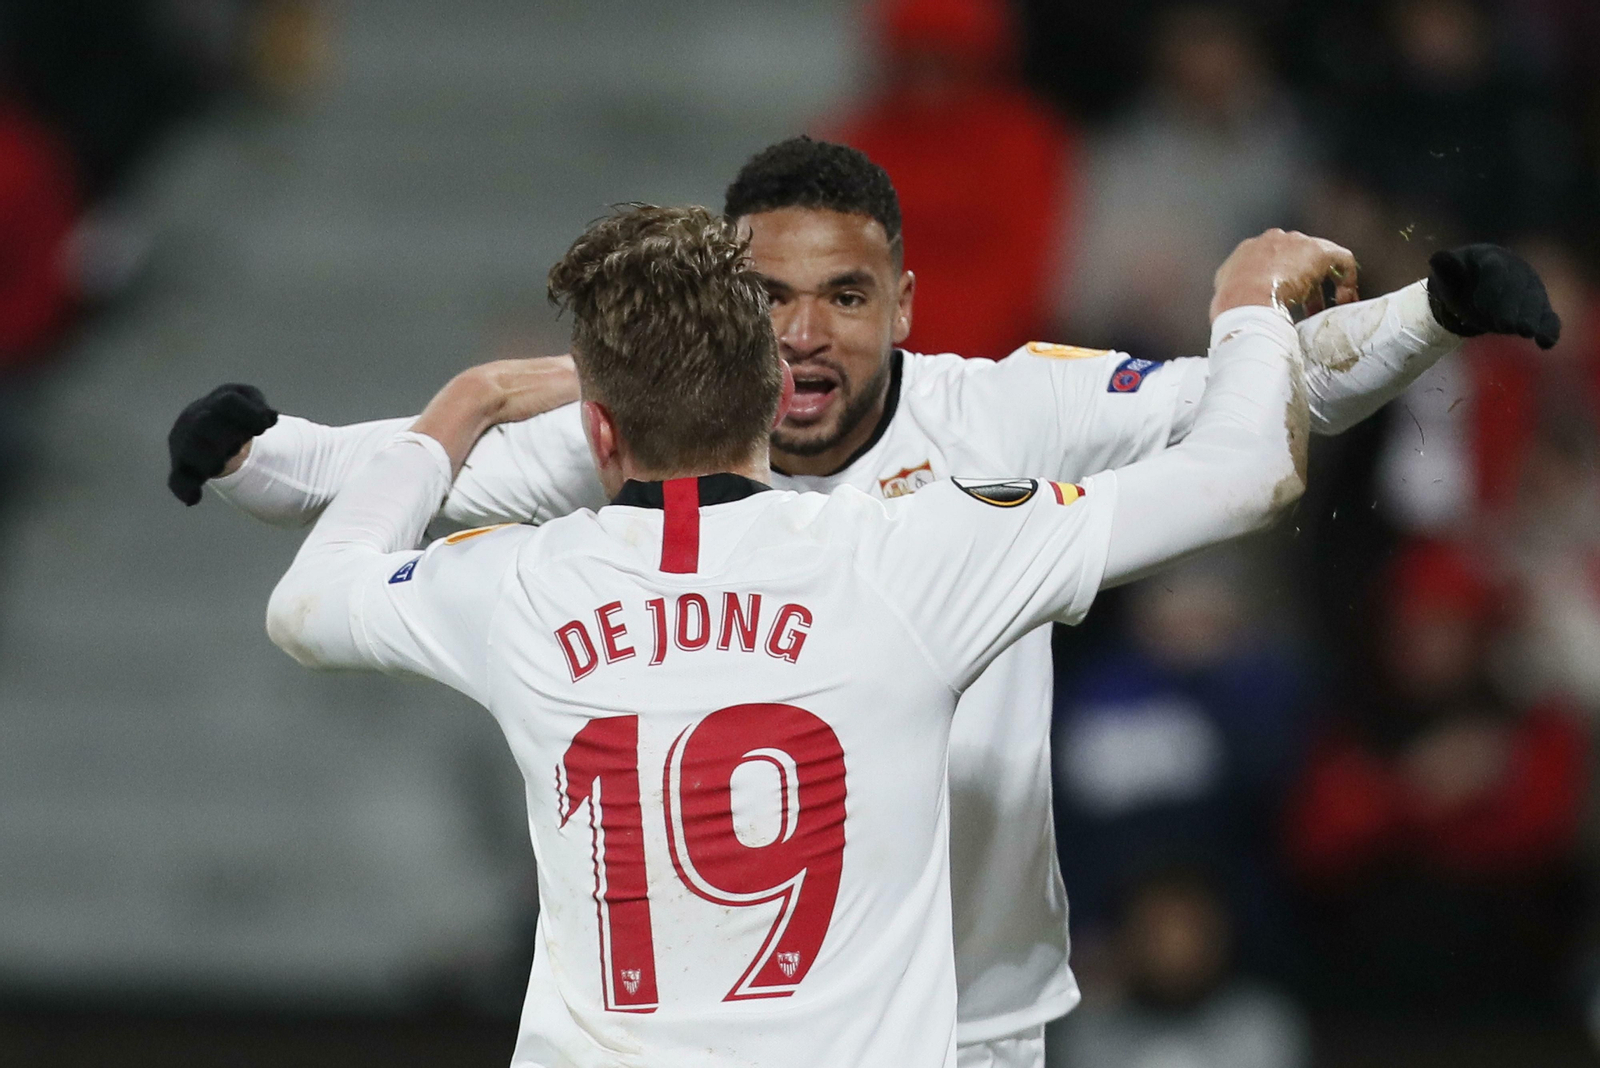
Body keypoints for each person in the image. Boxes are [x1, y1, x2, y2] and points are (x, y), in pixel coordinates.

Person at [167, 140, 1558, 1066]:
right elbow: (1252, 418)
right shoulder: (904, 541)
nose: (805, 331)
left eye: (844, 294)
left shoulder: (1004, 409)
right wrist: (268, 452)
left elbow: (384, 492)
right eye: (769, 296)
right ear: (720, 308)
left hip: (979, 1006)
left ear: (904, 297)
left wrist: (1430, 313)